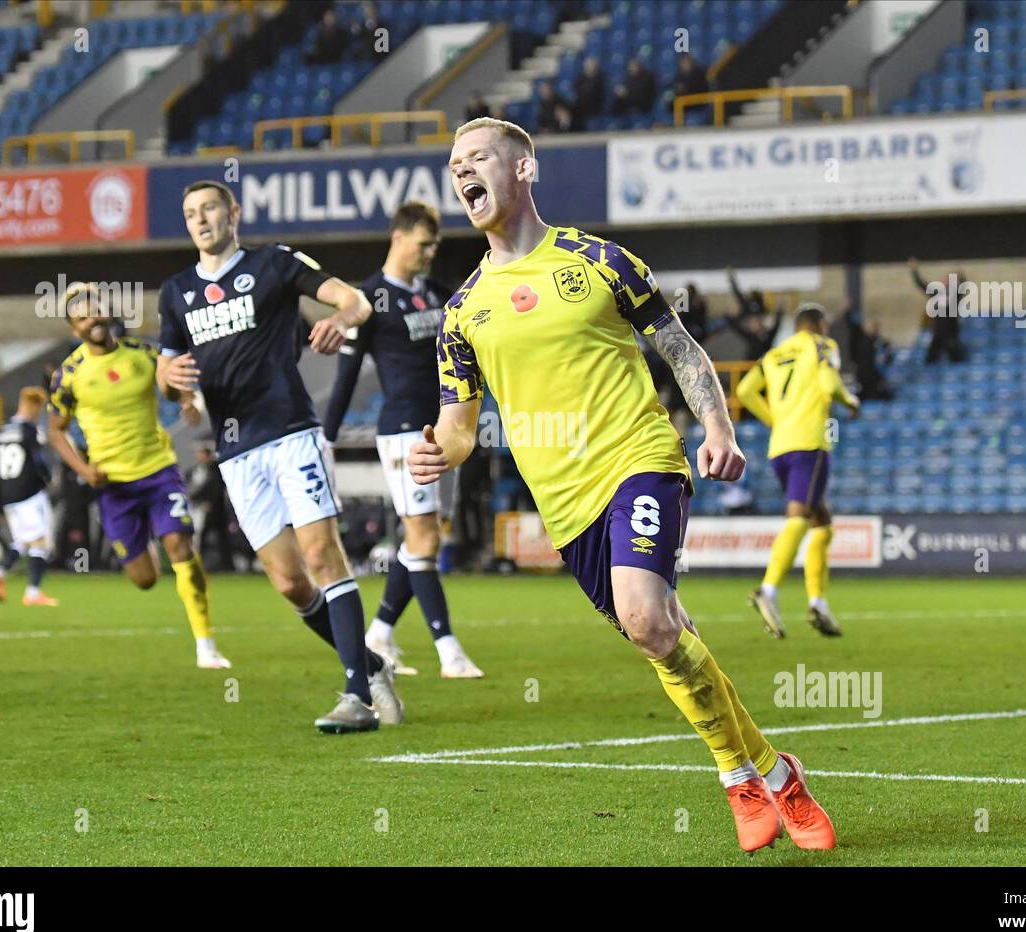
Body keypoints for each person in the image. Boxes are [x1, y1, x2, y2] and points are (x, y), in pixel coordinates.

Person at [408, 117, 836, 854]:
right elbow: (456, 423)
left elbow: (679, 346)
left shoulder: (600, 261)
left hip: (640, 458)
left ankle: (738, 777)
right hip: (566, 506)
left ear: (524, 169)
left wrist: (719, 428)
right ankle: (777, 770)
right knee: (666, 638)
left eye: (477, 158)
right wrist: (436, 453)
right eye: (453, 166)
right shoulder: (461, 311)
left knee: (646, 618)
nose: (462, 173)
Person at [156, 180, 402, 733]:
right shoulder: (175, 291)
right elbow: (166, 373)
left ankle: (356, 697)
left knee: (321, 556)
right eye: (190, 212)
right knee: (291, 583)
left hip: (291, 432)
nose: (200, 220)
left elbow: (355, 300)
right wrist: (170, 381)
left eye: (210, 209)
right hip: (235, 452)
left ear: (233, 213)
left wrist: (340, 322)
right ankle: (372, 666)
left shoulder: (274, 264)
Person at [324, 200, 484, 679]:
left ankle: (379, 633)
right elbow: (347, 374)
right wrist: (326, 438)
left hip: (447, 431)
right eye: (423, 243)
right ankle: (448, 650)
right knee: (423, 537)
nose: (431, 252)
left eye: (435, 243)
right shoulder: (367, 298)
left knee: (425, 538)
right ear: (398, 238)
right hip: (402, 433)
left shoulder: (438, 293)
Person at [47, 282, 231, 670]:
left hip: (159, 471)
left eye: (95, 310)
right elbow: (55, 430)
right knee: (144, 578)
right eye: (81, 318)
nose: (91, 319)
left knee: (179, 546)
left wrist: (186, 401)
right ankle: (147, 544)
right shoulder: (69, 375)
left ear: (108, 312)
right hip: (112, 485)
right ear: (73, 329)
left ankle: (206, 645)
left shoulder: (144, 354)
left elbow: (173, 386)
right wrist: (83, 469)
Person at [736, 303, 860, 640]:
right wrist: (851, 402)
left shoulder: (774, 354)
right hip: (809, 444)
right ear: (819, 324)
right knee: (799, 517)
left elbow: (745, 390)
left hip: (780, 447)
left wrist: (775, 420)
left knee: (822, 522)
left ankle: (818, 603)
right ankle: (768, 590)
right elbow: (831, 384)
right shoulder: (822, 346)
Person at [0, 387, 58, 606]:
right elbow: (38, 461)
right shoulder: (29, 431)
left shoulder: (1, 430)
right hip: (29, 492)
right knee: (40, 542)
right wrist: (47, 478)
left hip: (8, 494)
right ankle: (33, 593)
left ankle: (0, 572)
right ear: (33, 406)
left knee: (22, 540)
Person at [909, 257, 966, 364]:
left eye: (949, 279)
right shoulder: (936, 293)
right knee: (930, 358)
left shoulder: (955, 295)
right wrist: (914, 270)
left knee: (955, 358)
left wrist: (959, 275)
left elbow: (963, 285)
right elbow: (920, 284)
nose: (945, 281)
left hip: (951, 331)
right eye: (945, 279)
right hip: (938, 331)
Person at [187, 445, 234, 572]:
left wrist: (210, 503)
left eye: (201, 454)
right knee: (199, 536)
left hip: (215, 511)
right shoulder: (194, 470)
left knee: (221, 538)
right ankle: (197, 563)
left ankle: (227, 565)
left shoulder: (216, 470)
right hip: (197, 509)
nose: (199, 456)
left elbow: (217, 489)